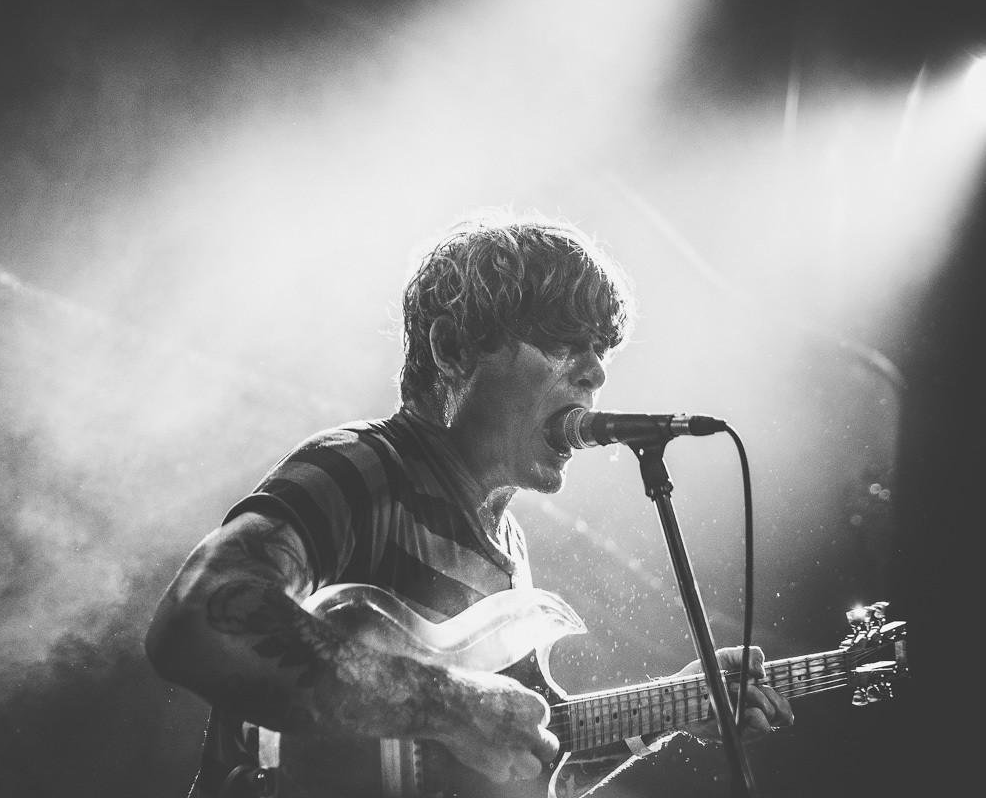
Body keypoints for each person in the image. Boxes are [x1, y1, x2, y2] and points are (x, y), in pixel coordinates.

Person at [144, 208, 793, 798]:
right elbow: (197, 619)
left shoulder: (509, 552)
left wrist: (676, 708)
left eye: (602, 350)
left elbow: (518, 772)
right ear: (453, 348)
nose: (595, 373)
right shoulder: (364, 467)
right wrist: (452, 706)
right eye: (566, 340)